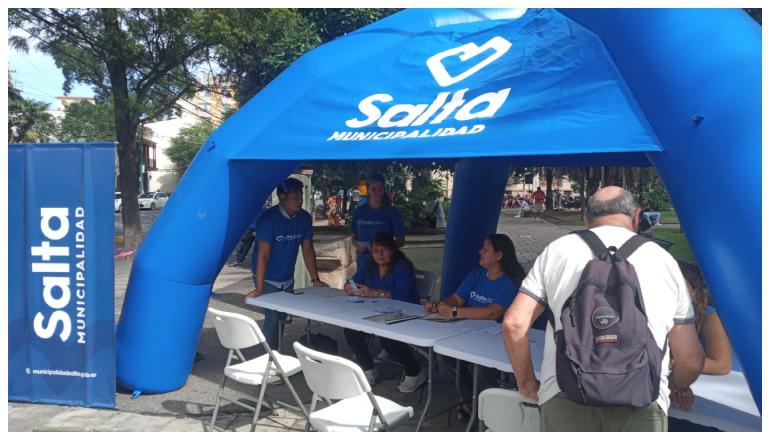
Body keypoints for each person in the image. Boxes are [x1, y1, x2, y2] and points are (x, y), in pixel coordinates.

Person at [502, 186, 704, 432]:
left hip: (565, 392)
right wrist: (670, 387)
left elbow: (514, 324)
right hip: (642, 398)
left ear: (586, 218)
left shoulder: (557, 251)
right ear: (636, 216)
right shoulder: (663, 261)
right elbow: (691, 360)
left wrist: (526, 383)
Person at [424, 234, 528, 422]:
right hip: (465, 330)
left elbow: (493, 313)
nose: (480, 252)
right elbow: (456, 298)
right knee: (446, 357)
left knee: (482, 367)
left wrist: (454, 312)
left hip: (495, 338)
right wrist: (442, 305)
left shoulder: (510, 282)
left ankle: (488, 414)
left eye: (486, 249)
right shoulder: (477, 274)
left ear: (499, 255)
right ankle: (470, 403)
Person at [246, 178, 328, 350]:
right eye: (295, 196)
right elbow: (263, 254)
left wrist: (315, 279)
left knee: (282, 316)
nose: (300, 200)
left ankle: (277, 351)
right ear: (282, 197)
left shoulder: (304, 218)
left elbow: (307, 250)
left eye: (301, 196)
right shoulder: (268, 220)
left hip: (287, 277)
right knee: (272, 318)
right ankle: (269, 359)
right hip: (267, 277)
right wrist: (259, 288)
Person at [342, 232, 426, 392]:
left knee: (387, 338)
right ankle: (368, 369)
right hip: (373, 311)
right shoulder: (369, 264)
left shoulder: (402, 266)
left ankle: (414, 372)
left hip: (405, 312)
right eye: (375, 250)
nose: (379, 254)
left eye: (383, 250)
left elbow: (401, 294)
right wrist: (350, 287)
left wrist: (375, 292)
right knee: (350, 329)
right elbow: (353, 280)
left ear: (393, 250)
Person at [668, 261, 734, 419]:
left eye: (679, 286)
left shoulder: (711, 318)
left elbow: (722, 365)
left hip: (718, 392)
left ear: (694, 290)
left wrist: (673, 363)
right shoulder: (661, 312)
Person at [350, 173, 407, 271]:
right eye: (373, 189)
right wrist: (356, 245)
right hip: (363, 263)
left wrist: (382, 248)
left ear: (384, 190)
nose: (377, 192)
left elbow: (401, 241)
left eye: (380, 189)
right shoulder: (359, 211)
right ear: (368, 190)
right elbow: (353, 237)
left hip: (385, 265)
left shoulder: (392, 212)